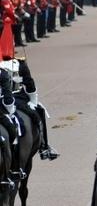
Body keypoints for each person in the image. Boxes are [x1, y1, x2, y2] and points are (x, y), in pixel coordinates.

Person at [0, 17, 58, 162]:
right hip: (20, 99)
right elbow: (29, 85)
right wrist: (33, 100)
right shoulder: (20, 63)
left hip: (3, 101)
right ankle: (44, 147)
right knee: (40, 112)